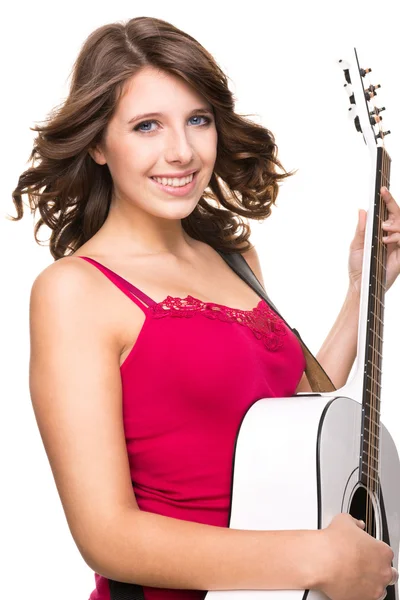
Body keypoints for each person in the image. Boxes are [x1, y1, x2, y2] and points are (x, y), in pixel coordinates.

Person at [10, 15, 400, 600]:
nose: (182, 151)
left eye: (198, 120)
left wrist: (360, 291)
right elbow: (104, 534)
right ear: (96, 143)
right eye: (147, 126)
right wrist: (315, 557)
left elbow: (291, 415)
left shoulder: (235, 256)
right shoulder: (74, 290)